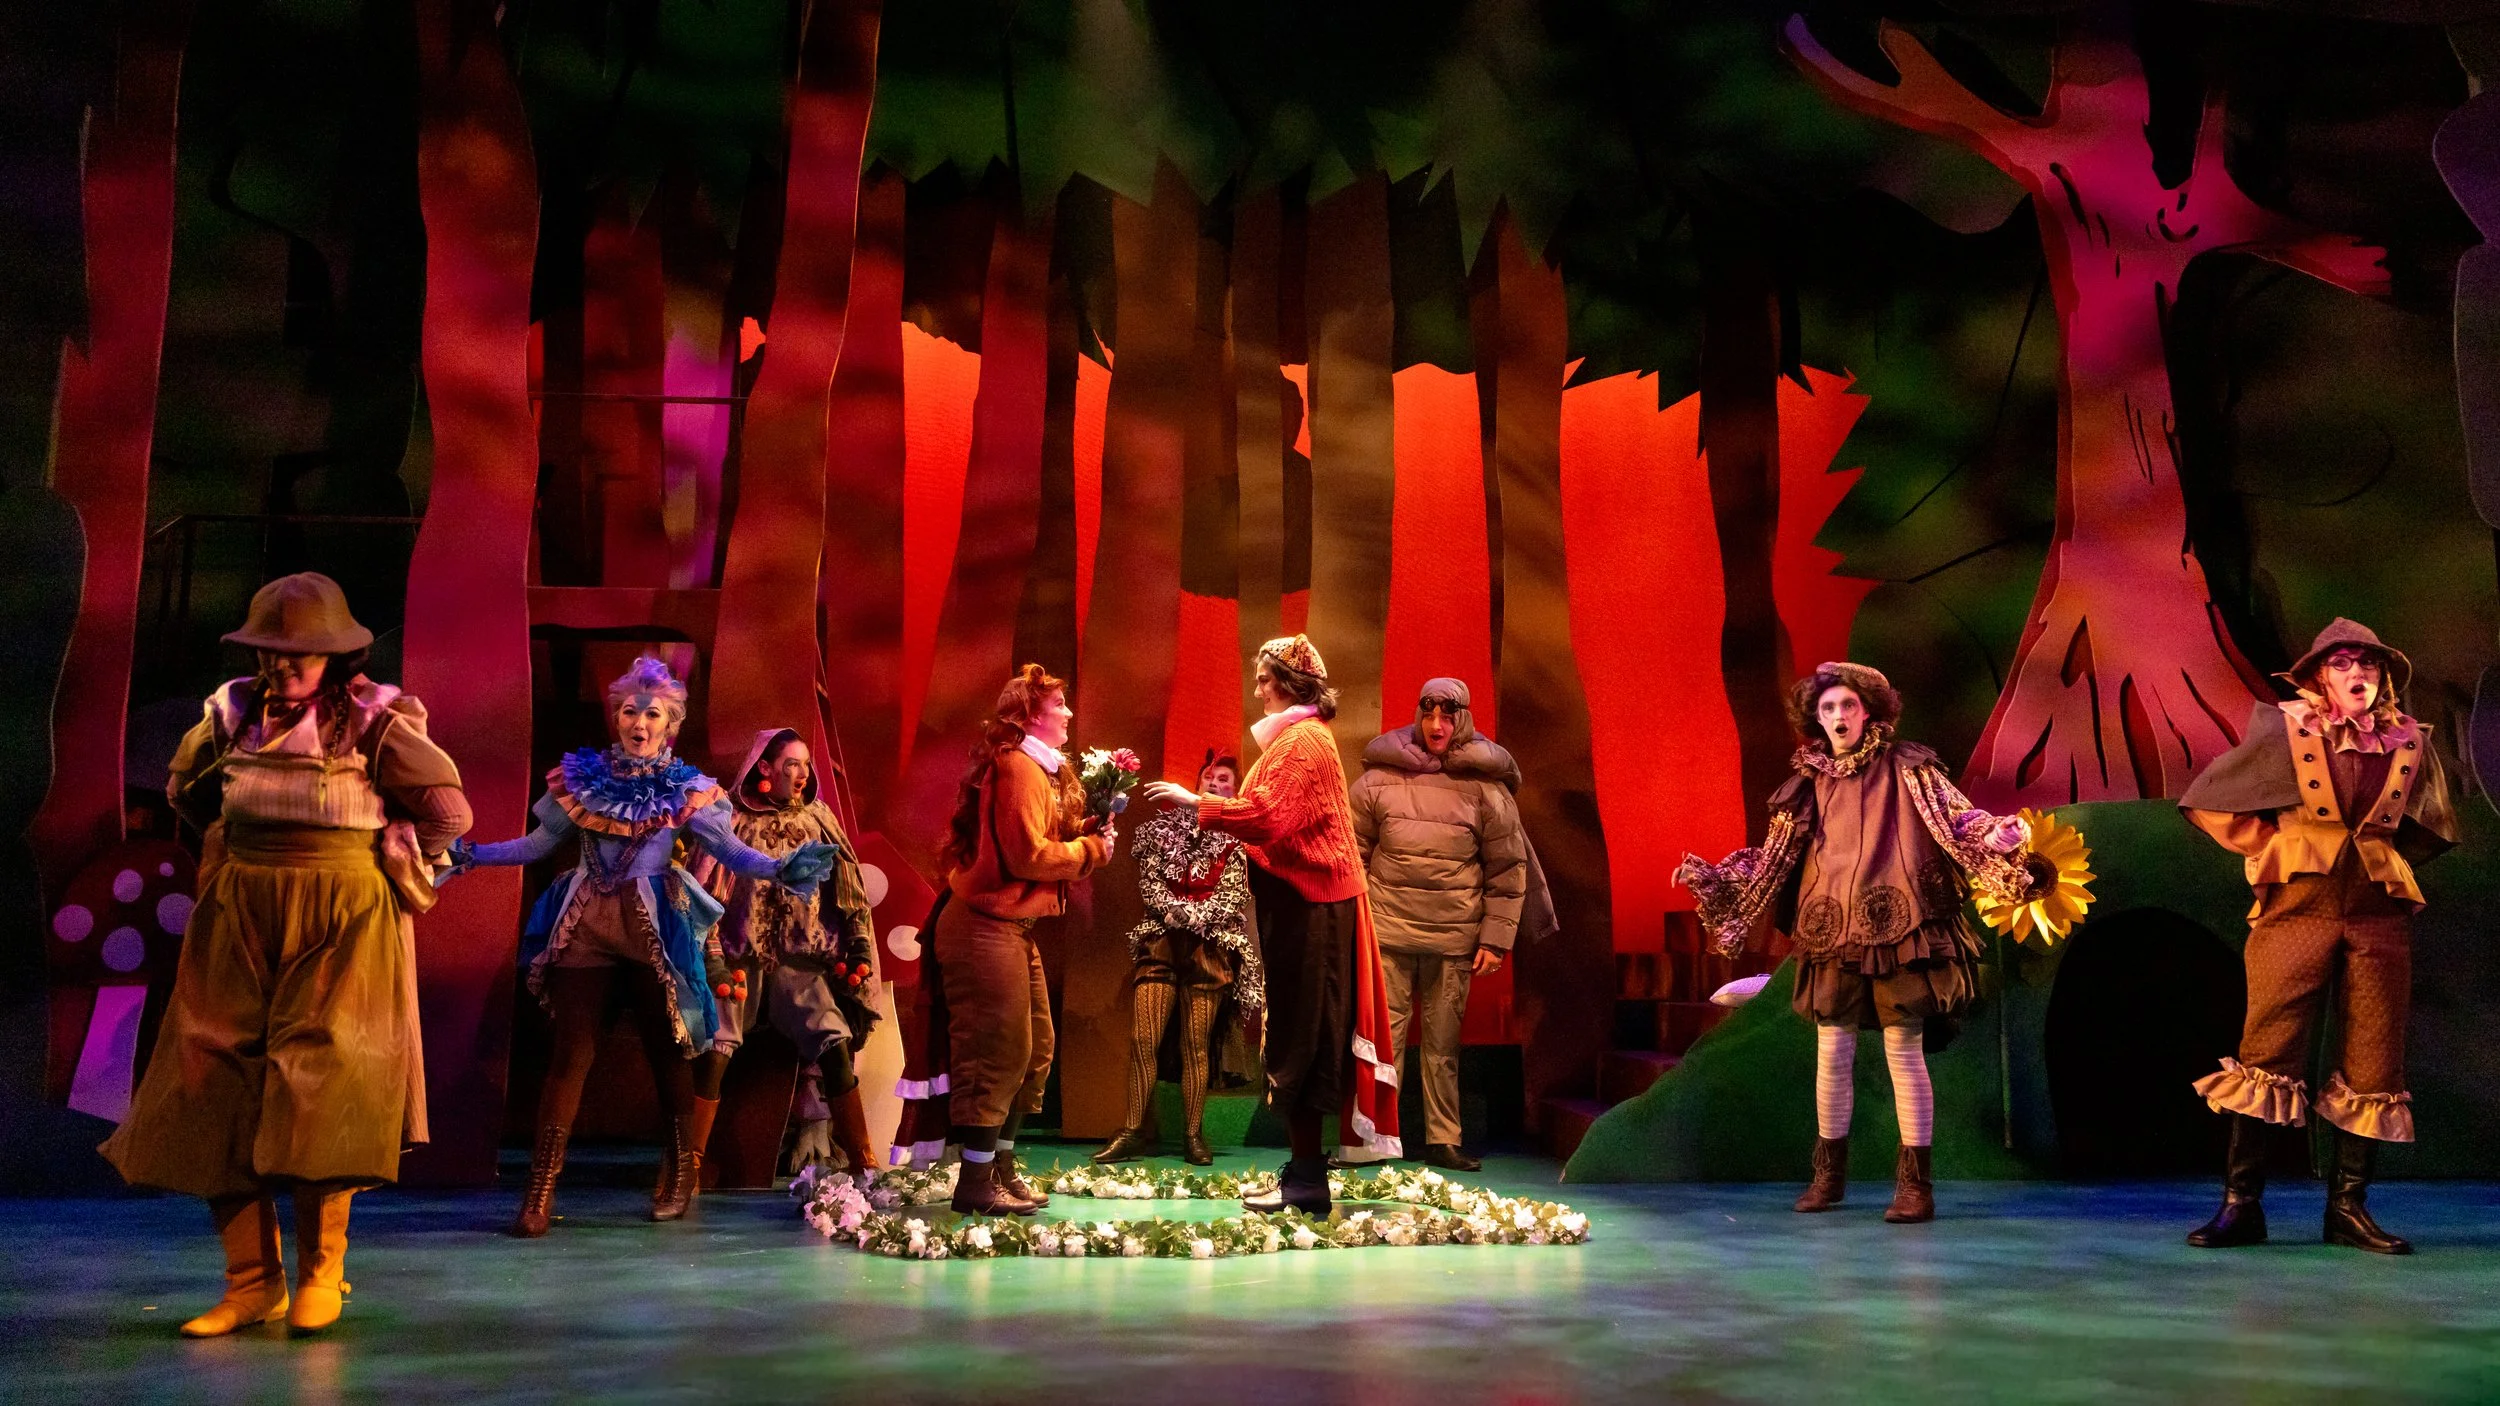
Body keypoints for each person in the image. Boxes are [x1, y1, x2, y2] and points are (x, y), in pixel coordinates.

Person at [104, 573, 472, 1336]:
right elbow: (186, 792)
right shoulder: (232, 714)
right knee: (211, 1076)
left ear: (335, 656)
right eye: (268, 651)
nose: (280, 665)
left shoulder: (374, 722)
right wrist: (239, 852)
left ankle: (321, 1275)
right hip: (241, 910)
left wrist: (387, 859)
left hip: (341, 917)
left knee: (322, 1080)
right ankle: (250, 1282)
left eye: (297, 653)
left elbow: (448, 813)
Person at [443, 657, 837, 1237]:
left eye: (653, 714)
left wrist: (780, 868)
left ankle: (680, 1174)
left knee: (668, 1052)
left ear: (670, 724)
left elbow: (729, 852)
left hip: (654, 929)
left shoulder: (688, 790)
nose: (640, 722)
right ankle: (539, 1191)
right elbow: (537, 845)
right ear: (618, 718)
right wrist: (472, 854)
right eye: (631, 711)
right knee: (570, 1055)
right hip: (587, 924)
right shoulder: (584, 780)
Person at [1676, 662, 2048, 1224]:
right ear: (1816, 718)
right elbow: (1772, 856)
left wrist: (1996, 834)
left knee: (1903, 1051)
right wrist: (1712, 876)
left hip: (1903, 924)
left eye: (1848, 705)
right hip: (1832, 926)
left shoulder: (1908, 767)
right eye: (1828, 708)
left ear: (1869, 710)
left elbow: (1958, 818)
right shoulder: (1808, 782)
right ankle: (1828, 1177)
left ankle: (1915, 1186)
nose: (1838, 716)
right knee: (1831, 1052)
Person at [2177, 619, 2457, 1254]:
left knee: (2375, 1057)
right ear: (2319, 678)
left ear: (2383, 677)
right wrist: (2276, 845)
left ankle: (2347, 1209)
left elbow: (2434, 824)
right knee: (2267, 1048)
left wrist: (2383, 856)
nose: (2358, 674)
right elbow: (2211, 799)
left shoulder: (2409, 740)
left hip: (2377, 914)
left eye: (2368, 664)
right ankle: (2241, 1205)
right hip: (2298, 909)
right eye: (2343, 664)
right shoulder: (2288, 728)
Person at [1142, 634, 1400, 1216]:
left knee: (1304, 1037)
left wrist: (1194, 801)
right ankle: (1304, 1174)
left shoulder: (1304, 742)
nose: (1257, 689)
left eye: (1264, 679)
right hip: (1300, 907)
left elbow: (1267, 816)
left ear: (1289, 683)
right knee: (1295, 1033)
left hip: (1315, 908)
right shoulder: (1291, 739)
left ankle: (1307, 1179)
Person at [1350, 678, 1554, 1172]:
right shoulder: (1379, 779)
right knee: (1382, 1043)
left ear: (1461, 719)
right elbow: (1353, 854)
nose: (1436, 725)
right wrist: (1354, 924)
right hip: (1388, 931)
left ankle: (1443, 1138)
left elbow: (1507, 870)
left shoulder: (1486, 787)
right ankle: (1373, 1137)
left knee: (1443, 1047)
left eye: (1447, 716)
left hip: (1454, 937)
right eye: (1428, 715)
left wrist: (1495, 940)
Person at [933, 663, 1111, 1215]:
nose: (1069, 714)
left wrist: (1083, 834)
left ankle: (1000, 1169)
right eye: (1059, 706)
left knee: (1035, 1052)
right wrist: (1089, 852)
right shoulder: (1017, 767)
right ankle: (974, 1182)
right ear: (1032, 716)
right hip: (983, 926)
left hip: (1012, 927)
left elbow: (1034, 838)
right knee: (1000, 1052)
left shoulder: (1038, 770)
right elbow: (1026, 856)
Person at [689, 729, 883, 1188]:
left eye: (806, 764)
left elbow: (848, 885)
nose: (802, 774)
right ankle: (687, 1164)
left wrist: (856, 941)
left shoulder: (818, 819)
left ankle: (863, 1161)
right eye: (792, 764)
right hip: (740, 959)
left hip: (799, 964)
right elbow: (702, 891)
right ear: (765, 767)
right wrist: (713, 958)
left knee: (833, 1041)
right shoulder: (732, 819)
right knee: (717, 1046)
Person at [1095, 750, 1262, 1167]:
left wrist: (1194, 917)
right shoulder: (1159, 830)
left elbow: (1232, 895)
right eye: (1209, 777)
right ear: (1196, 782)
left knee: (1195, 1044)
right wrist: (1174, 912)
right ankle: (1132, 1131)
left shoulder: (1239, 839)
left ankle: (1193, 1134)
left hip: (1210, 947)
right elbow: (1150, 880)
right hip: (1161, 941)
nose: (1215, 784)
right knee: (1143, 1039)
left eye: (1224, 780)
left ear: (1234, 791)